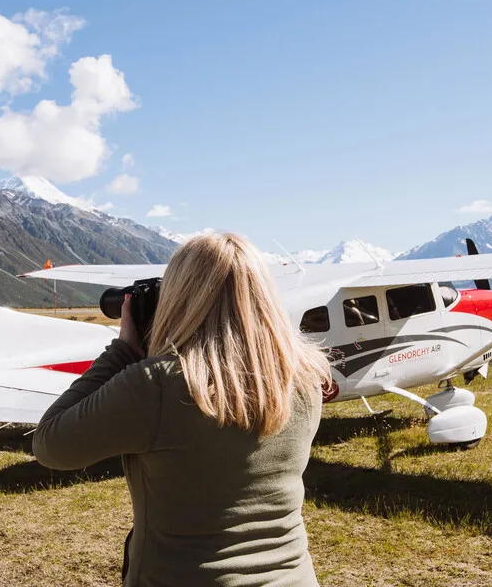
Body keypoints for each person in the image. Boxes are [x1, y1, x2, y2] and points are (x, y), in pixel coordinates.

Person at [32, 232, 330, 587]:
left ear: (179, 298)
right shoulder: (306, 377)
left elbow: (50, 444)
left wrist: (124, 350)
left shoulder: (157, 384)